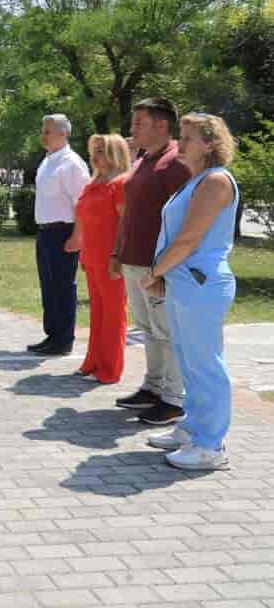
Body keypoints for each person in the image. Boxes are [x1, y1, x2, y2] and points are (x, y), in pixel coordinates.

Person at [142, 114, 239, 470]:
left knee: (205, 365)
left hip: (201, 283)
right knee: (188, 362)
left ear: (211, 143)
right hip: (185, 282)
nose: (179, 144)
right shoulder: (195, 180)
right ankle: (194, 429)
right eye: (181, 136)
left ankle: (211, 447)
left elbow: (188, 238)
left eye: (188, 138)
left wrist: (155, 272)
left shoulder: (215, 181)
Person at [112, 97, 193, 425]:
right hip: (135, 259)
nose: (133, 130)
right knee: (147, 328)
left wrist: (165, 269)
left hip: (157, 264)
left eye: (139, 123)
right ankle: (154, 386)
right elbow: (129, 211)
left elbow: (184, 219)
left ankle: (174, 399)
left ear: (162, 125)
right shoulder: (144, 159)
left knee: (166, 330)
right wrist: (118, 252)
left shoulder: (176, 163)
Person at [68, 134, 131, 384]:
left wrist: (117, 257)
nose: (95, 156)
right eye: (94, 151)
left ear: (116, 153)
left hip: (112, 259)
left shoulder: (121, 183)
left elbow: (126, 224)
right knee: (98, 313)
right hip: (92, 257)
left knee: (114, 315)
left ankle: (110, 369)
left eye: (102, 151)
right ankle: (93, 361)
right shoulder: (93, 183)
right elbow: (84, 220)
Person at [27, 114, 90, 356]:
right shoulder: (48, 161)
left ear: (63, 133)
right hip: (45, 232)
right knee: (49, 286)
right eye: (43, 131)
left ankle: (64, 339)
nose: (43, 136)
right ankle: (52, 334)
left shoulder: (72, 163)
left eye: (48, 132)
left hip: (63, 232)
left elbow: (82, 204)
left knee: (63, 287)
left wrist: (77, 236)